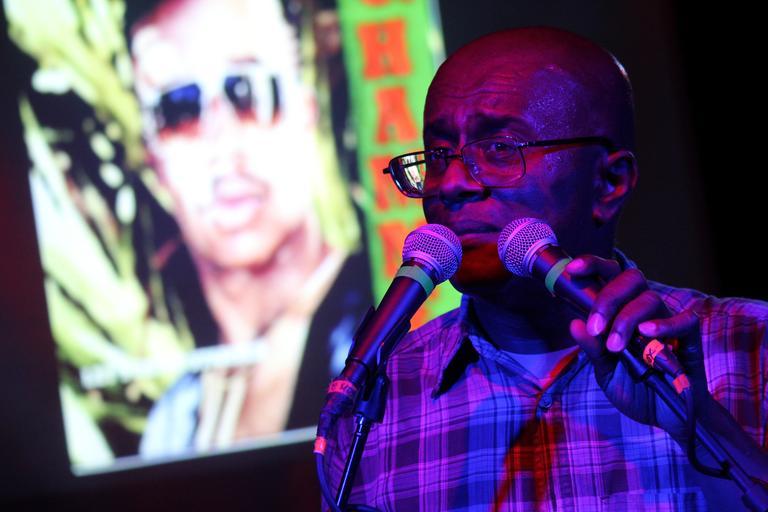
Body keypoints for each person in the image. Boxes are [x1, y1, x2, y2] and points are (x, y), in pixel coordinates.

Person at [324, 27, 768, 510]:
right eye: (437, 156)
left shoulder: (753, 346)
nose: (450, 184)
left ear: (609, 182)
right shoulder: (372, 402)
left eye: (500, 149)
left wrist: (703, 425)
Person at [130, 0, 363, 456]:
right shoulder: (172, 426)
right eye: (179, 108)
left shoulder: (398, 332)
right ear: (153, 156)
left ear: (306, 112)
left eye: (248, 90)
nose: (222, 143)